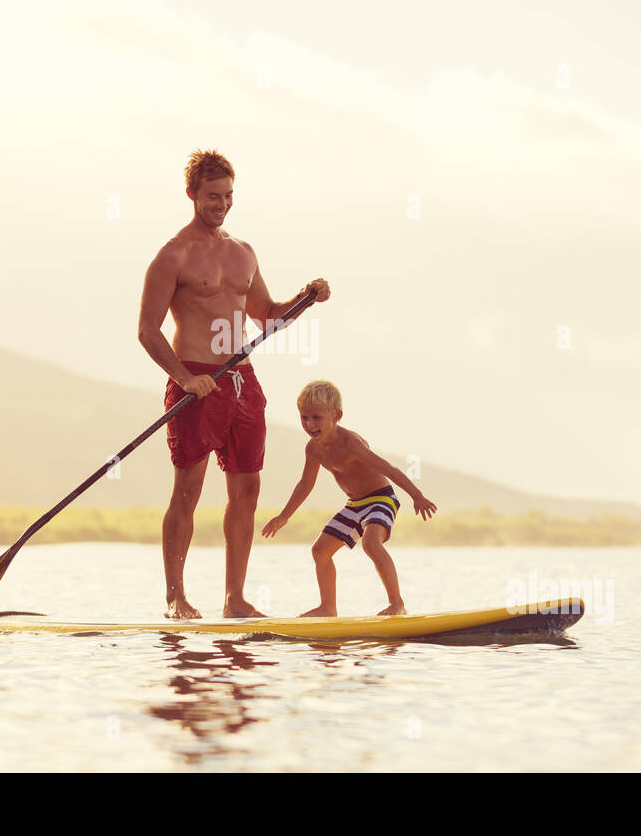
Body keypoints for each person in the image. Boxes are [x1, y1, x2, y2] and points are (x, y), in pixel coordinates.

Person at [138, 148, 330, 619]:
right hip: (196, 381)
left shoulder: (243, 252)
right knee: (189, 490)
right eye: (211, 196)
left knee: (246, 490)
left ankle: (235, 599)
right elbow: (147, 329)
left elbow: (267, 314)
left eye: (227, 195)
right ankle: (175, 597)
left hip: (241, 380)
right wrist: (183, 378)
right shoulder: (173, 254)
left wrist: (305, 298)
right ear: (191, 195)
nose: (221, 204)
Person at [262, 380, 437, 616]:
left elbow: (388, 469)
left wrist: (417, 496)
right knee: (319, 551)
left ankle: (397, 604)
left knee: (371, 543)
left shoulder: (351, 444)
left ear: (337, 416)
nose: (309, 424)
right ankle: (328, 608)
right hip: (355, 505)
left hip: (380, 500)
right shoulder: (313, 449)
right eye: (304, 417)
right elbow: (306, 484)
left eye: (316, 417)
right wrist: (284, 516)